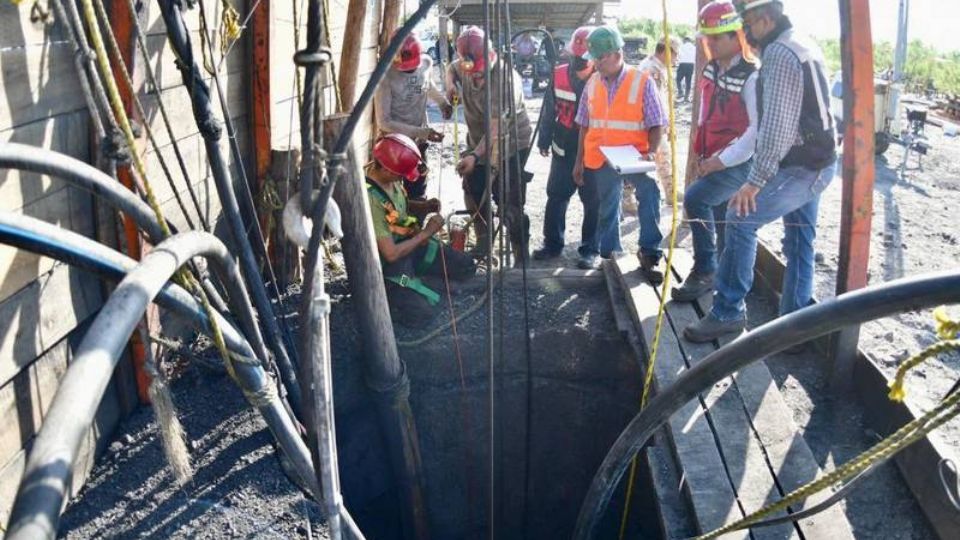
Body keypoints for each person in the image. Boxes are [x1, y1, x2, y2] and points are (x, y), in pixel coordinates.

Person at [683, 0, 837, 343]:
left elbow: (775, 128)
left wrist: (755, 180)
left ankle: (728, 311)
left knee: (740, 217)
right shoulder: (802, 41)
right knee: (799, 241)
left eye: (749, 25)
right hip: (819, 158)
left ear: (765, 20)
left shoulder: (780, 54)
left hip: (803, 165)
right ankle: (793, 330)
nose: (747, 33)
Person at [672, 0, 760, 302]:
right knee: (722, 215)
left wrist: (720, 162)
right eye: (706, 37)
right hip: (712, 156)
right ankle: (722, 271)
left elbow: (755, 133)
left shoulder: (752, 75)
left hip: (739, 162)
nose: (708, 43)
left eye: (714, 38)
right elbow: (704, 113)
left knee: (696, 199)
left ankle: (706, 269)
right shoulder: (710, 69)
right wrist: (700, 152)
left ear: (736, 36)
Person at [574, 25, 667, 283]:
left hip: (635, 155)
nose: (595, 63)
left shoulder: (642, 81)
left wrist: (650, 154)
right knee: (608, 205)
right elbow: (584, 124)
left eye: (599, 57)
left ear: (615, 54)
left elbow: (657, 123)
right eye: (593, 58)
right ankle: (611, 254)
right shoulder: (592, 83)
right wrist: (578, 161)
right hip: (603, 156)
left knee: (649, 193)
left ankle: (650, 253)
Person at [366, 134, 476, 326]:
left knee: (467, 266)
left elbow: (397, 208)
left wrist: (423, 207)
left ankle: (424, 280)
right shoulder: (370, 198)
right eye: (400, 174)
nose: (402, 178)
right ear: (385, 168)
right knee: (422, 315)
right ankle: (402, 289)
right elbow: (390, 254)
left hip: (410, 246)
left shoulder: (390, 178)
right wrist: (426, 233)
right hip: (389, 263)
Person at [447, 26, 534, 264]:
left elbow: (496, 130)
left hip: (511, 144)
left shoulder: (506, 80)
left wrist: (474, 156)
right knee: (474, 192)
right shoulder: (465, 64)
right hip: (478, 143)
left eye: (479, 73)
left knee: (509, 203)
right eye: (471, 73)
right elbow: (451, 69)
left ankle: (520, 255)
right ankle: (484, 243)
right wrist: (450, 85)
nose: (474, 77)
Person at [532, 26, 601, 269]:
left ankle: (590, 249)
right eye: (576, 57)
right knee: (556, 196)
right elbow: (549, 110)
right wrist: (543, 139)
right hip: (562, 147)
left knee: (593, 202)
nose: (578, 62)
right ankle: (552, 244)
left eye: (583, 58)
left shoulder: (602, 80)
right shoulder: (559, 74)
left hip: (593, 152)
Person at [374, 32, 452, 203]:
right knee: (391, 195)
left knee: (417, 189)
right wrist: (424, 132)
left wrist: (443, 103)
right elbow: (383, 121)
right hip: (394, 146)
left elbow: (427, 85)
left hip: (418, 142)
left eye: (412, 67)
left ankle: (417, 225)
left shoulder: (426, 63)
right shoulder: (385, 77)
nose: (408, 70)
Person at [637, 36, 681, 206]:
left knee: (663, 158)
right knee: (653, 158)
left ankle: (670, 192)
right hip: (652, 123)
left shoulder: (658, 67)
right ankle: (628, 197)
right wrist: (663, 124)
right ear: (666, 51)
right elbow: (654, 102)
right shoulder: (651, 69)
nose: (677, 58)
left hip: (657, 121)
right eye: (675, 53)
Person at [677, 37, 697, 101]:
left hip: (683, 64)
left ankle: (680, 92)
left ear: (685, 40)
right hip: (691, 65)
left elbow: (678, 55)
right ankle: (686, 97)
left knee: (678, 79)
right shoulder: (694, 47)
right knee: (688, 81)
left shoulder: (681, 46)